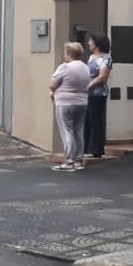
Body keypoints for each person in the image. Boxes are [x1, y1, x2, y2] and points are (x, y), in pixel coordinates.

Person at [49, 41, 91, 172]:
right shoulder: (85, 67)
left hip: (65, 102)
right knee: (79, 130)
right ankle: (79, 160)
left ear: (69, 53)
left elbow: (52, 84)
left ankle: (69, 162)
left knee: (67, 130)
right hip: (82, 102)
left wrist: (52, 92)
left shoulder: (65, 67)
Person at [85, 34, 113, 160]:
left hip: (98, 93)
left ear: (97, 44)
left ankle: (97, 148)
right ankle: (87, 146)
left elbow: (102, 76)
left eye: (91, 41)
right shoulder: (91, 57)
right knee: (87, 119)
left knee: (96, 119)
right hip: (88, 93)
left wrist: (89, 85)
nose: (89, 43)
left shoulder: (106, 58)